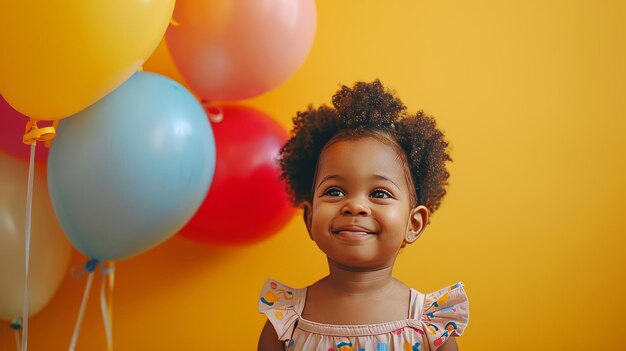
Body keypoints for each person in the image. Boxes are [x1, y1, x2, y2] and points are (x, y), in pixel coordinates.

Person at [258, 80, 469, 351]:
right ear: (310, 218)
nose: (355, 206)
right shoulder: (286, 320)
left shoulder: (431, 326)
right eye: (334, 191)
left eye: (379, 193)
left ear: (413, 224)